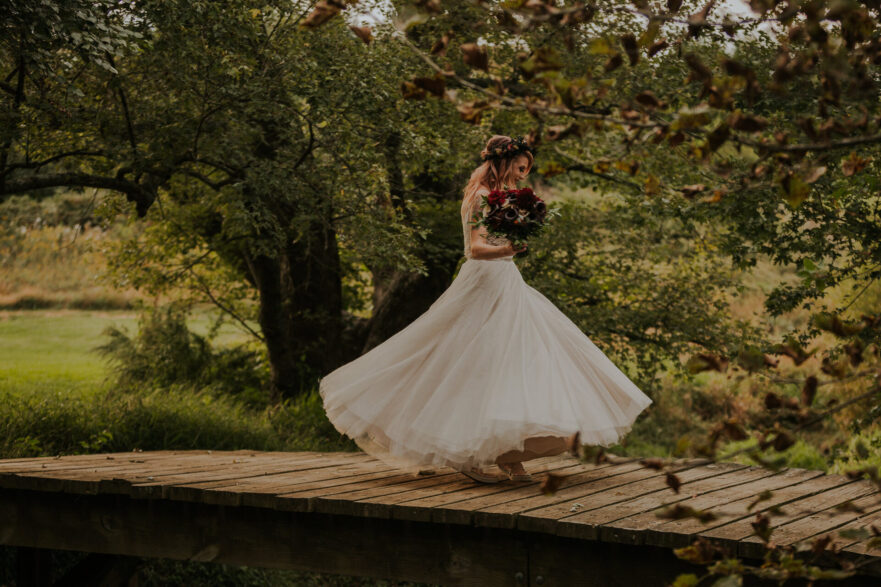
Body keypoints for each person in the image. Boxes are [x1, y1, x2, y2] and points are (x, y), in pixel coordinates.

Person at [319, 134, 653, 483]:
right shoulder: (479, 197)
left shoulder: (500, 197)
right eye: (521, 167)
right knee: (473, 361)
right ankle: (466, 451)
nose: (524, 175)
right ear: (505, 163)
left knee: (520, 360)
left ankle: (510, 455)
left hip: (505, 281)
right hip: (485, 281)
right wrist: (512, 246)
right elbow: (476, 249)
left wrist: (517, 236)